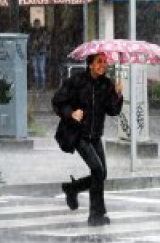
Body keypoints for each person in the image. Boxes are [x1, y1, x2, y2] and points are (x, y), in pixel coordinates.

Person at [51, 53, 123, 226]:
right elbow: (58, 101)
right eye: (99, 61)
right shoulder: (76, 81)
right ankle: (96, 215)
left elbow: (112, 110)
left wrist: (118, 95)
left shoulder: (106, 85)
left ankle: (72, 188)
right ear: (90, 64)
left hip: (95, 136)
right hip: (78, 134)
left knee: (101, 174)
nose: (103, 65)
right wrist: (71, 113)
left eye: (105, 62)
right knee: (98, 171)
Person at [29, 19, 50, 90]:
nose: (36, 25)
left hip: (41, 53)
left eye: (37, 24)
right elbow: (29, 42)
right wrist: (33, 44)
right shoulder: (32, 33)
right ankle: (38, 86)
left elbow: (47, 42)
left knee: (41, 70)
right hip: (35, 53)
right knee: (36, 70)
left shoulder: (43, 32)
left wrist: (41, 42)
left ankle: (42, 86)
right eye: (35, 24)